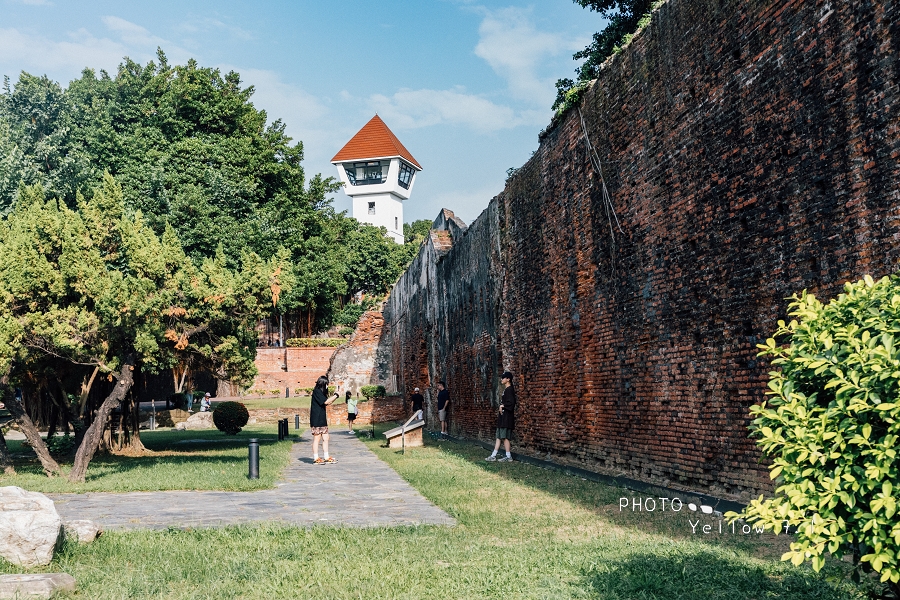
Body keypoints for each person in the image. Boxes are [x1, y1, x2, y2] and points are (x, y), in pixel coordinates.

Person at [485, 371, 516, 462]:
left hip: (507, 417)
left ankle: (508, 456)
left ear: (508, 379)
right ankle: (493, 455)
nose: (501, 379)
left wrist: (503, 406)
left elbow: (512, 403)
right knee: (499, 436)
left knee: (505, 437)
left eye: (503, 378)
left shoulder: (510, 389)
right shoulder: (506, 390)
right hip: (503, 417)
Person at [310, 376, 340, 464]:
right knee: (317, 438)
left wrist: (335, 396)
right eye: (327, 384)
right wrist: (336, 395)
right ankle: (316, 457)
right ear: (323, 384)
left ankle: (326, 456)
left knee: (326, 438)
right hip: (316, 419)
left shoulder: (322, 393)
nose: (327, 386)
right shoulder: (317, 392)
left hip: (322, 419)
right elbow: (326, 402)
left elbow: (328, 402)